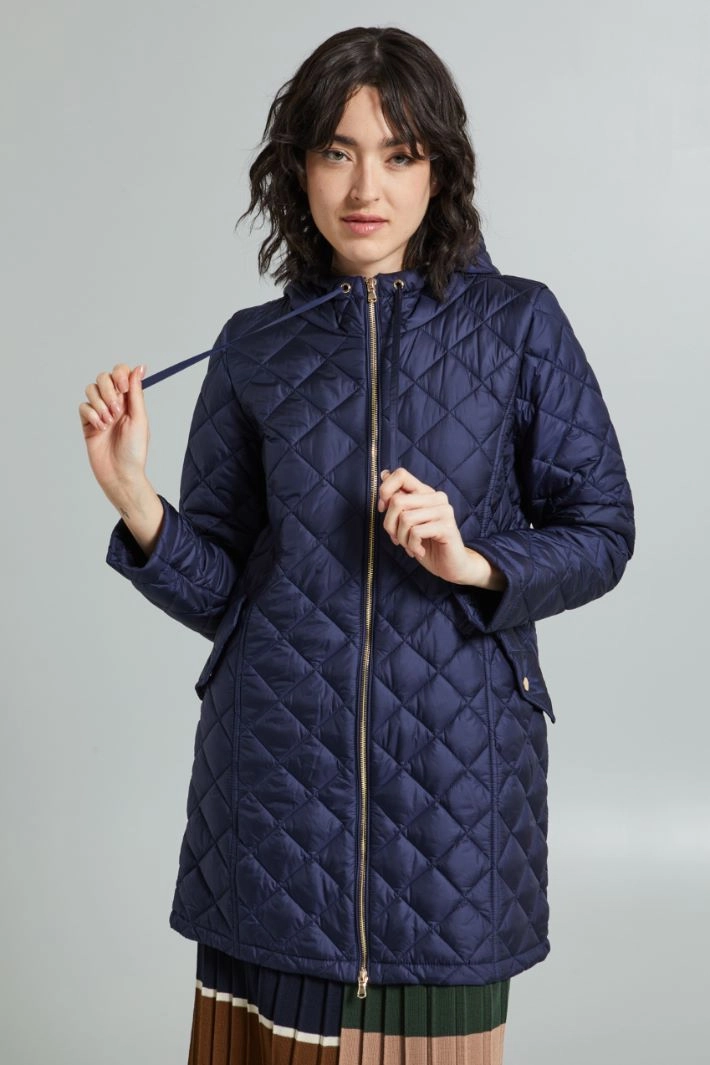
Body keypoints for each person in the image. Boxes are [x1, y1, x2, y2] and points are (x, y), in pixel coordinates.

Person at [79, 25, 635, 1065]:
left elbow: (602, 530)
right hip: (272, 790)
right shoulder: (255, 346)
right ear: (299, 169)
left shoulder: (520, 326)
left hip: (456, 785)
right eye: (337, 151)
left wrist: (473, 560)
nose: (365, 186)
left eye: (399, 153)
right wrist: (135, 499)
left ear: (440, 171)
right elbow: (221, 587)